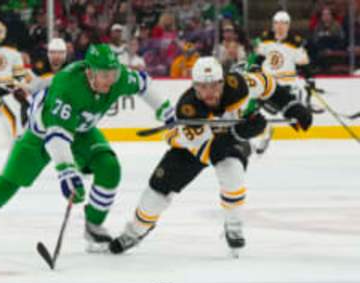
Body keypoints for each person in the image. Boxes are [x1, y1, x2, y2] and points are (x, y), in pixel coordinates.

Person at [0, 44, 175, 253]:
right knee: (6, 184)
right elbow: (56, 136)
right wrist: (67, 172)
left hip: (81, 132)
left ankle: (93, 229)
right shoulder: (67, 86)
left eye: (113, 74)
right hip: (41, 135)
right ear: (89, 71)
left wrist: (166, 111)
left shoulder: (117, 77)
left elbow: (143, 83)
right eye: (104, 75)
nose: (109, 80)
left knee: (109, 167)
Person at [109, 57, 312, 258]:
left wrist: (291, 106)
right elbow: (211, 151)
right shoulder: (188, 109)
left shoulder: (239, 85)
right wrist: (240, 133)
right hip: (191, 147)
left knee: (233, 173)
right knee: (157, 190)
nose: (209, 93)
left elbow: (268, 84)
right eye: (203, 87)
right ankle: (135, 231)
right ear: (194, 86)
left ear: (223, 82)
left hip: (230, 136)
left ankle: (233, 225)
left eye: (214, 86)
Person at [250, 11, 313, 154]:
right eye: (277, 23)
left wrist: (309, 78)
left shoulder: (295, 43)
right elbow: (259, 58)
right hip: (268, 84)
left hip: (286, 84)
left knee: (281, 111)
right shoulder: (265, 40)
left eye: (283, 23)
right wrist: (255, 68)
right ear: (273, 25)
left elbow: (304, 64)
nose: (280, 26)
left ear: (288, 25)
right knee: (261, 112)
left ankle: (268, 133)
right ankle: (264, 135)